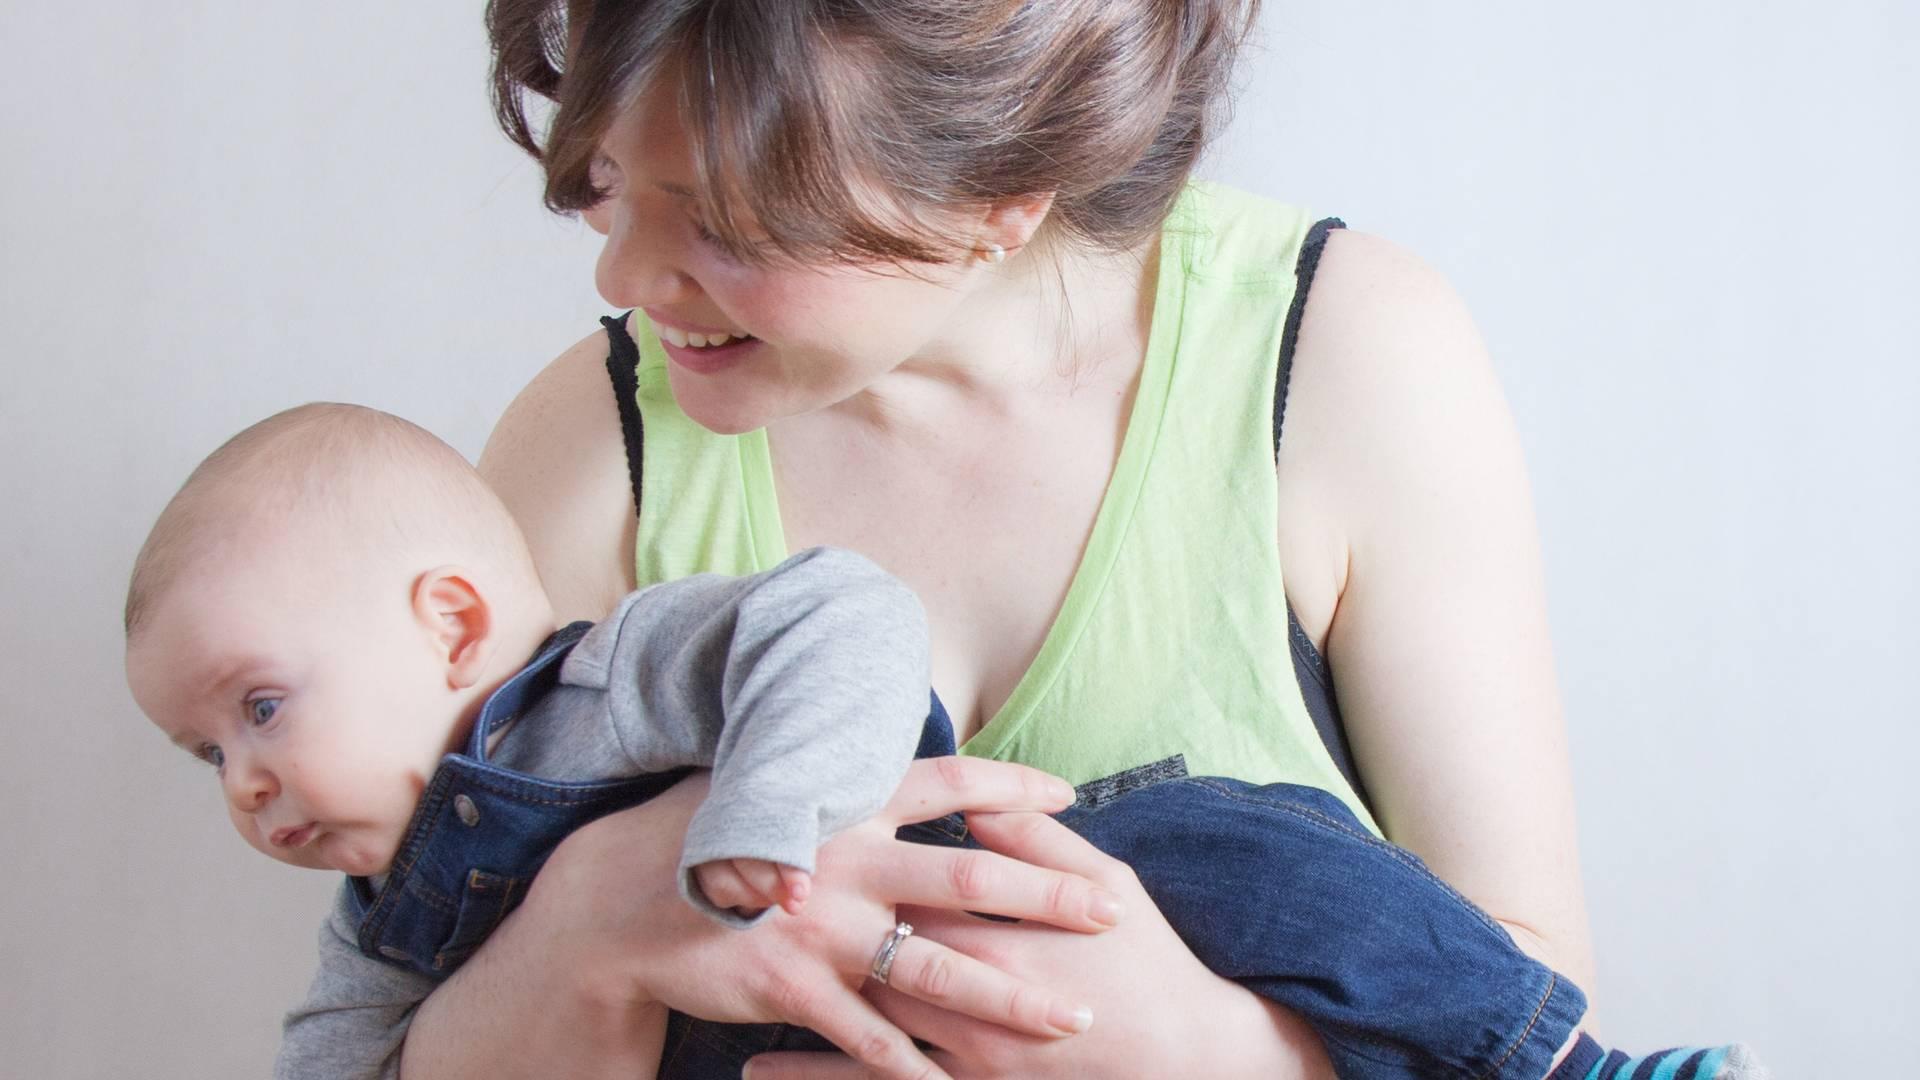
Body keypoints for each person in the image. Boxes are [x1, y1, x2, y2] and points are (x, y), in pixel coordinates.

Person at [394, 3, 1605, 1079]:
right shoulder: (589, 450)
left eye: (726, 220)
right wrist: (591, 926)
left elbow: (1543, 1021)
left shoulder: (1342, 356)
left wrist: (1200, 1055)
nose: (625, 273)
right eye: (607, 177)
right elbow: (385, 1020)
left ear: (1000, 198)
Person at [124, 404, 1761, 1080]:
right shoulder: (386, 920)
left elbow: (839, 617)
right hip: (808, 1042)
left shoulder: (617, 667)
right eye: (208, 756)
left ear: (453, 625)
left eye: (261, 708)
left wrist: (760, 825)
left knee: (1277, 859)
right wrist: (573, 936)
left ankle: (1564, 1068)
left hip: (1050, 875)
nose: (249, 783)